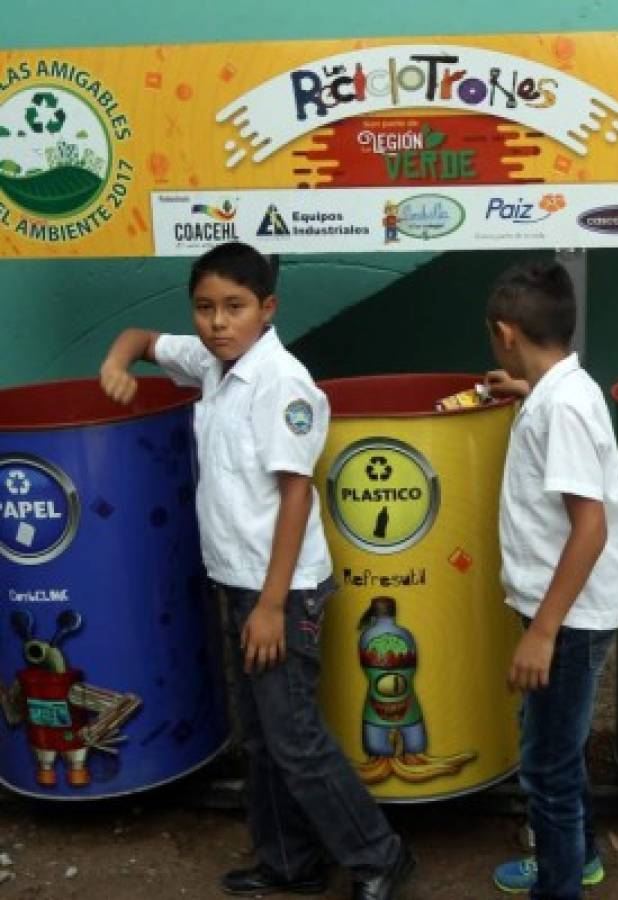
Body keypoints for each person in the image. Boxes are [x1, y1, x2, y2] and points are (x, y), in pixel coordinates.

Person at [99, 243, 414, 900]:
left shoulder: (281, 384)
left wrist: (272, 606)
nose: (217, 322)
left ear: (267, 309)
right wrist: (116, 360)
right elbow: (140, 337)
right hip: (240, 581)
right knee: (265, 739)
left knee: (295, 737)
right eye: (205, 307)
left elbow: (295, 495)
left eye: (234, 308)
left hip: (283, 591)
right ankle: (289, 863)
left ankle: (378, 856)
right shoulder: (212, 363)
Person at [483, 263, 618, 898]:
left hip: (568, 618)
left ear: (506, 332)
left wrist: (543, 632)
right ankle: (577, 857)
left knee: (545, 764)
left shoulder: (565, 409)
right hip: (564, 608)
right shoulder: (557, 392)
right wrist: (523, 391)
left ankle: (560, 882)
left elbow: (590, 529)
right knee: (560, 745)